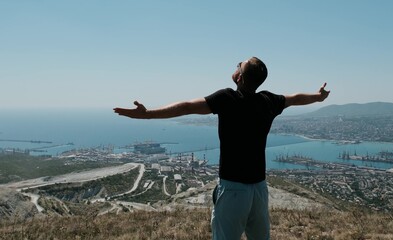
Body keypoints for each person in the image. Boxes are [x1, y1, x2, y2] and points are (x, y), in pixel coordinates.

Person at [114, 56, 330, 240]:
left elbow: (187, 106)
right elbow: (296, 98)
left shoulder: (228, 98)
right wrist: (318, 97)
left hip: (233, 189)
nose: (236, 68)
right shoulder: (268, 101)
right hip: (259, 189)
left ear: (239, 77)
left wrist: (149, 113)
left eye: (239, 65)